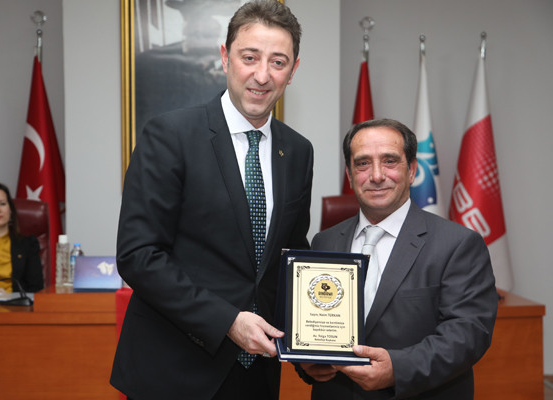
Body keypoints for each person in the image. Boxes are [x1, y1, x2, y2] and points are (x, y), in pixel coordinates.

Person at [110, 1, 313, 399]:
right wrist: (226, 321)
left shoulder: (297, 151)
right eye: (249, 57)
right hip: (174, 373)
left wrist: (315, 343)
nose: (262, 75)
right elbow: (139, 255)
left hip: (257, 376)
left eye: (277, 62)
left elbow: (290, 256)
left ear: (292, 71)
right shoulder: (169, 136)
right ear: (225, 57)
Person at [298, 119, 498, 399]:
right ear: (349, 174)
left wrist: (398, 369)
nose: (377, 175)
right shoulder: (324, 242)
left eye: (389, 161)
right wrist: (306, 361)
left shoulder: (458, 244)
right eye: (363, 163)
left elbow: (468, 334)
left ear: (412, 170)